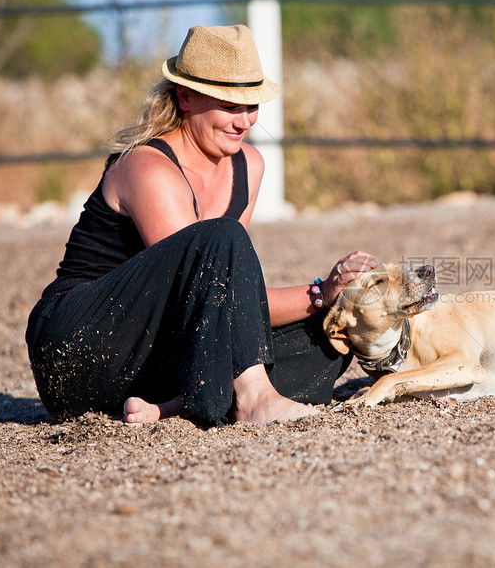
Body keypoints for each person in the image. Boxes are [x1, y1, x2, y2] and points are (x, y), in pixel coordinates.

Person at [25, 25, 377, 428]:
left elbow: (227, 299)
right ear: (185, 96)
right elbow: (204, 285)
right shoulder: (148, 167)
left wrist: (327, 300)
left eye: (251, 105)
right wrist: (318, 292)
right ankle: (253, 398)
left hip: (149, 360)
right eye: (230, 105)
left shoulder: (249, 165)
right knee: (222, 235)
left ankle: (172, 406)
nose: (244, 121)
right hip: (79, 349)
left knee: (329, 334)